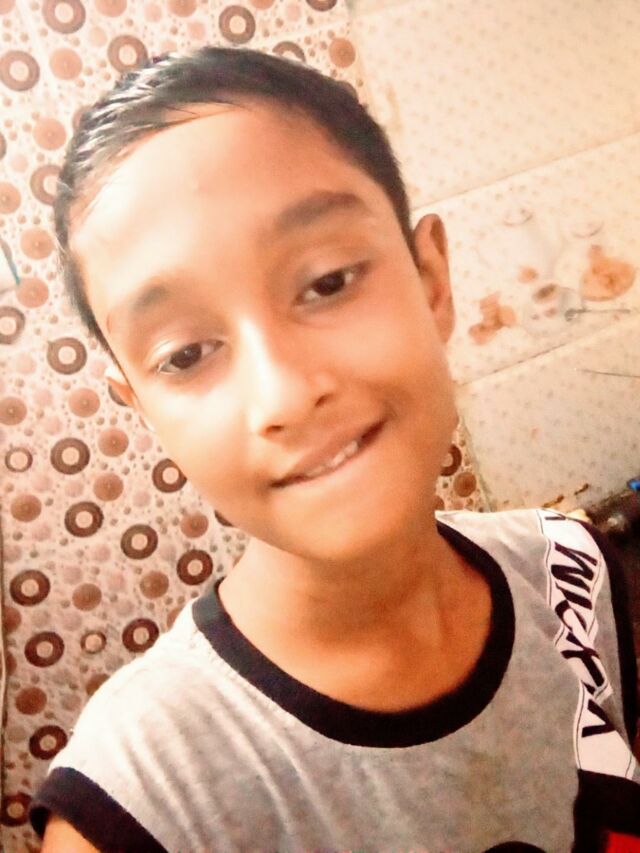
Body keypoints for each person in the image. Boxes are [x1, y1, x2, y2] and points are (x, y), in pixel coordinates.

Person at [29, 46, 639, 852]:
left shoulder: (572, 572)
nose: (284, 395)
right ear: (143, 409)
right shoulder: (140, 801)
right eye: (186, 354)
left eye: (327, 282)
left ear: (431, 278)